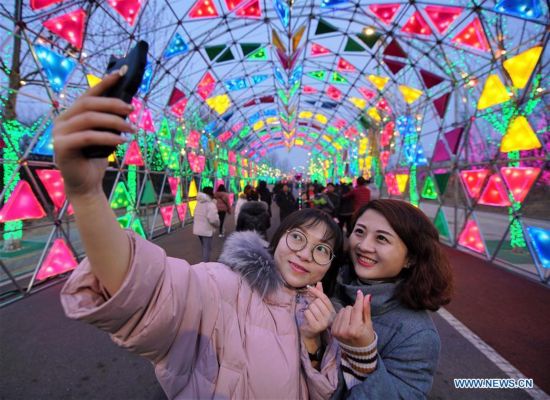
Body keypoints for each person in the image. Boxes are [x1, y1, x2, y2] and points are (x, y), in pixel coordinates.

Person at [54, 71, 343, 399]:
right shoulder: (226, 286)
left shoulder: (325, 318)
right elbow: (154, 295)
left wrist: (312, 343)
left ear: (331, 264)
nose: (306, 253)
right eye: (298, 238)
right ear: (276, 240)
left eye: (322, 250)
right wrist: (88, 196)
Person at [330, 199, 453, 399]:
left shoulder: (418, 335)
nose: (364, 245)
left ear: (410, 258)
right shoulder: (327, 283)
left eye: (381, 239)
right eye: (359, 231)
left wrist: (364, 357)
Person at [192, 186, 219, 262]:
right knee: (207, 249)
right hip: (206, 230)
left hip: (198, 229)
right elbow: (213, 219)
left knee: (204, 247)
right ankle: (205, 266)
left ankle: (205, 264)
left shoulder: (199, 202)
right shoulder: (210, 204)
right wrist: (218, 224)